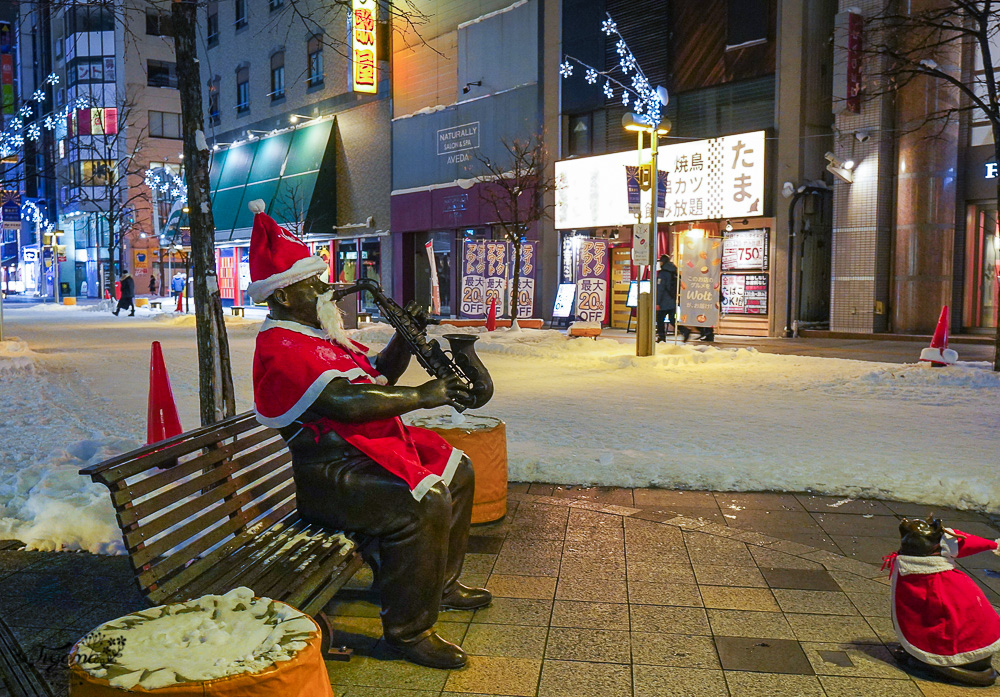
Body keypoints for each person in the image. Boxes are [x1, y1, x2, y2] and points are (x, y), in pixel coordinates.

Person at [245, 200, 490, 671]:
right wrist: (424, 396)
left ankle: (440, 582)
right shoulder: (280, 346)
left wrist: (405, 337)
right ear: (281, 296)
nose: (326, 290)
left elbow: (375, 377)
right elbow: (345, 403)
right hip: (331, 476)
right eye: (311, 283)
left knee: (457, 470)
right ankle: (408, 631)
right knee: (425, 500)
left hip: (363, 455)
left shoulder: (319, 336)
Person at [655, 254, 689, 342]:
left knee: (659, 319)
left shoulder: (663, 273)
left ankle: (661, 337)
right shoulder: (674, 271)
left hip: (664, 301)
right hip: (673, 300)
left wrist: (657, 303)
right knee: (672, 319)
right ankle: (685, 330)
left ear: (662, 262)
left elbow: (661, 288)